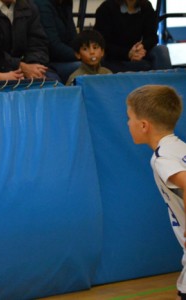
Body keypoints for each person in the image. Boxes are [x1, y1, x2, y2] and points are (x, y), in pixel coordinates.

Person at [126, 85, 186, 300]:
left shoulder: (163, 158)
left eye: (129, 118)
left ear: (143, 125)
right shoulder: (180, 148)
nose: (127, 123)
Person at [0, 0, 60, 81]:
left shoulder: (28, 7)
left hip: (28, 64)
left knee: (53, 83)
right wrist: (19, 66)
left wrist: (34, 67)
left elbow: (38, 43)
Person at [94, 0, 172, 73]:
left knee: (162, 50)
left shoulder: (146, 7)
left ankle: (165, 85)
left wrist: (142, 47)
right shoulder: (106, 8)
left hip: (138, 53)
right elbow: (102, 43)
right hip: (113, 56)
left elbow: (152, 37)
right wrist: (127, 53)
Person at [33, 0, 80, 83]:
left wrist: (83, 50)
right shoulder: (42, 5)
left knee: (96, 63)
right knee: (84, 67)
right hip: (47, 61)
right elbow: (53, 46)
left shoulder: (66, 3)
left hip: (64, 58)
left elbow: (73, 37)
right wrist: (80, 55)